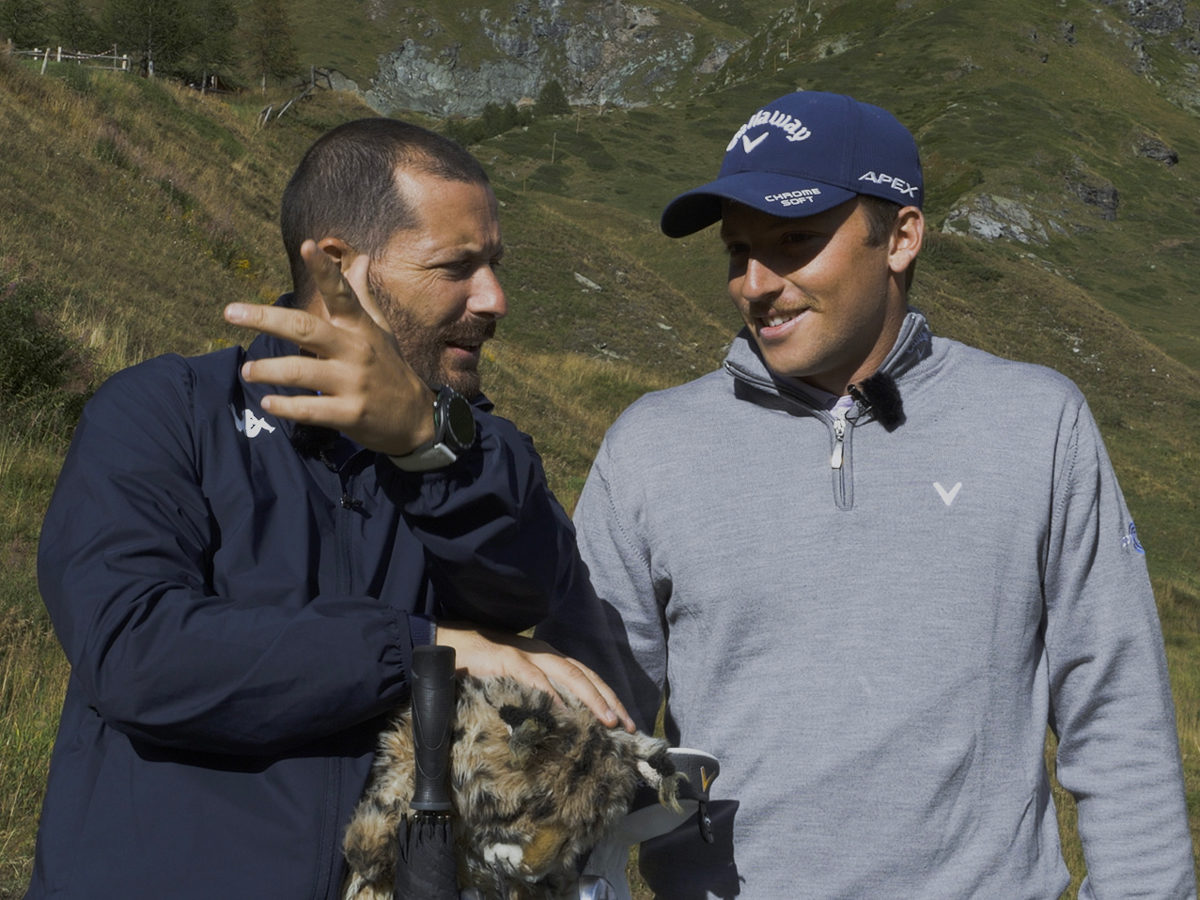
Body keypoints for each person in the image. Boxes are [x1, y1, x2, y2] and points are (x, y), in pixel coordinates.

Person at [538, 91, 1196, 897]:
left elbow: (1117, 714)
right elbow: (581, 741)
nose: (755, 283)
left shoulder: (1036, 424)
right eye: (738, 249)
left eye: (794, 240)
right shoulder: (650, 445)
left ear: (902, 237)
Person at [26, 117, 630, 899]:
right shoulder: (165, 413)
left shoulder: (481, 450)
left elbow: (528, 592)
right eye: (457, 266)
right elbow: (135, 653)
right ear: (341, 267)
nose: (494, 299)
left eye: (494, 266)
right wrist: (422, 649)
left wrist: (425, 446)